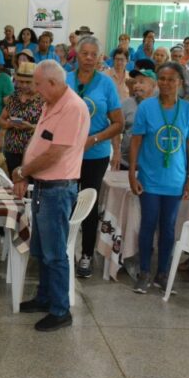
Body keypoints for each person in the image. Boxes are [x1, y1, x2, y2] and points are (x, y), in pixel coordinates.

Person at [11, 61, 90, 332]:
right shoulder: (51, 103)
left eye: (38, 84)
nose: (35, 89)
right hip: (44, 186)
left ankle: (60, 310)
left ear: (53, 84)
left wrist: (22, 171)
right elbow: (38, 144)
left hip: (57, 188)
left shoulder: (73, 108)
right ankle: (45, 298)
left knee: (55, 253)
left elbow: (55, 154)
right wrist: (26, 173)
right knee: (42, 250)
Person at [128, 62, 189, 294]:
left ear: (180, 82)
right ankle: (144, 272)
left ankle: (163, 273)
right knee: (148, 223)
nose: (166, 83)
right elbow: (136, 141)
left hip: (176, 179)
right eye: (162, 79)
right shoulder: (147, 107)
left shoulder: (188, 109)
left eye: (171, 79)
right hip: (150, 178)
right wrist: (132, 172)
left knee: (168, 227)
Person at [67, 37, 124, 278]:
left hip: (95, 153)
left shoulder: (106, 84)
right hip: (67, 153)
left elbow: (118, 123)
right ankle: (64, 252)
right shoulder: (66, 80)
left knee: (88, 205)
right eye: (84, 53)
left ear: (99, 58)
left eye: (93, 54)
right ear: (76, 55)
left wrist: (95, 139)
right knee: (66, 202)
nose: (89, 58)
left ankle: (87, 255)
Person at [0, 61, 42, 172]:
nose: (24, 85)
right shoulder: (15, 96)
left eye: (28, 82)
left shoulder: (43, 99)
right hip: (11, 150)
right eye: (21, 82)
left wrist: (30, 126)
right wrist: (9, 124)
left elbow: (50, 128)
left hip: (33, 152)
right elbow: (1, 119)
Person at [112, 66, 157, 170]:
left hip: (150, 165)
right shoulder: (126, 103)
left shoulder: (160, 106)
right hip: (125, 163)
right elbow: (116, 130)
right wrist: (116, 152)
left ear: (153, 85)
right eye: (135, 82)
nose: (136, 86)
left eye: (141, 82)